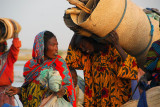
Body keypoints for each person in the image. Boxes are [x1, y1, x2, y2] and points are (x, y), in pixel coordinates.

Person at [65, 30, 139, 107]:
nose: (83, 50)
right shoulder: (89, 58)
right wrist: (77, 31)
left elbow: (131, 67)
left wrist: (117, 45)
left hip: (118, 102)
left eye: (83, 45)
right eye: (81, 48)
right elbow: (70, 62)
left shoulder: (113, 49)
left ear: (91, 39)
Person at [5, 31, 76, 107]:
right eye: (53, 45)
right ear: (42, 47)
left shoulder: (59, 63)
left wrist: (63, 90)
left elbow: (69, 87)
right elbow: (29, 91)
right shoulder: (29, 66)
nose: (56, 49)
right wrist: (18, 90)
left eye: (57, 45)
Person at [0, 31, 21, 107]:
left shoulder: (9, 56)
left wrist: (16, 36)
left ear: (5, 45)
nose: (1, 46)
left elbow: (15, 48)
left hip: (7, 90)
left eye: (2, 44)